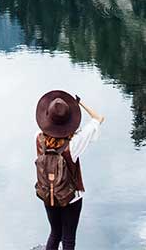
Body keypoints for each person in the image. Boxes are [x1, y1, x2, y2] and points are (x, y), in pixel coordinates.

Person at [34, 90, 104, 250]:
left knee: (55, 233)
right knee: (69, 239)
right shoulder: (74, 143)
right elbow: (99, 118)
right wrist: (79, 104)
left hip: (48, 194)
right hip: (71, 196)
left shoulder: (38, 138)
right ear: (68, 120)